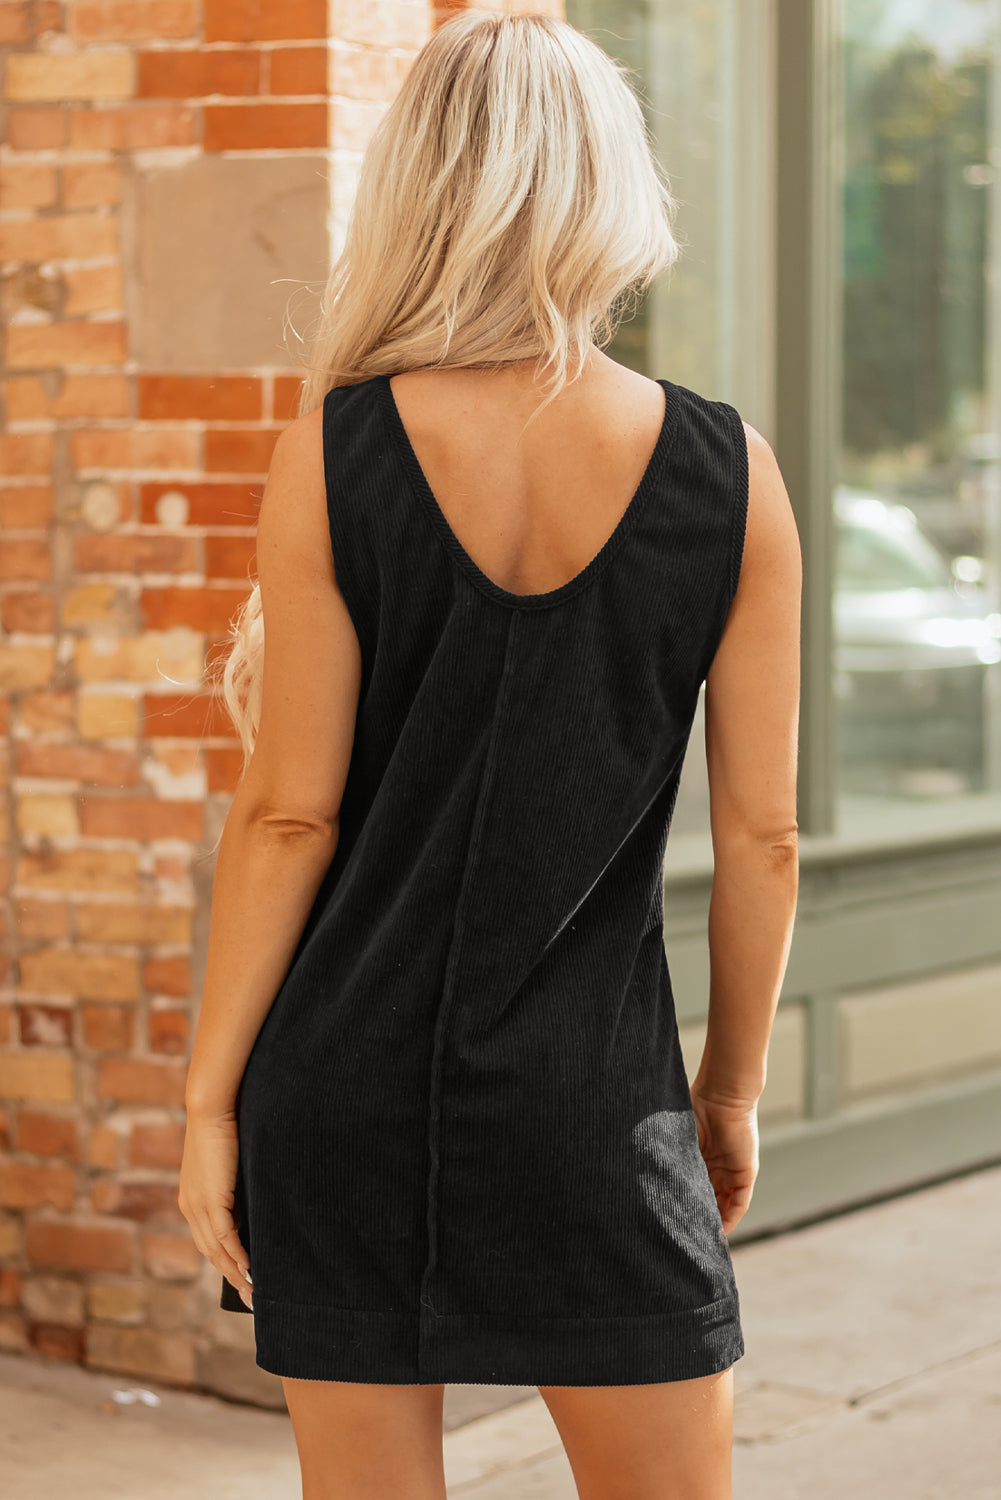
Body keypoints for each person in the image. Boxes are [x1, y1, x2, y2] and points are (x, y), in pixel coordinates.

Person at [178, 10, 801, 1499]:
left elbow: (285, 820)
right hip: (596, 1106)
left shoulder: (336, 451)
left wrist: (209, 1100)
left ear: (421, 187)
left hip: (338, 1087)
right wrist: (725, 1094)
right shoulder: (729, 472)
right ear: (609, 188)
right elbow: (764, 838)